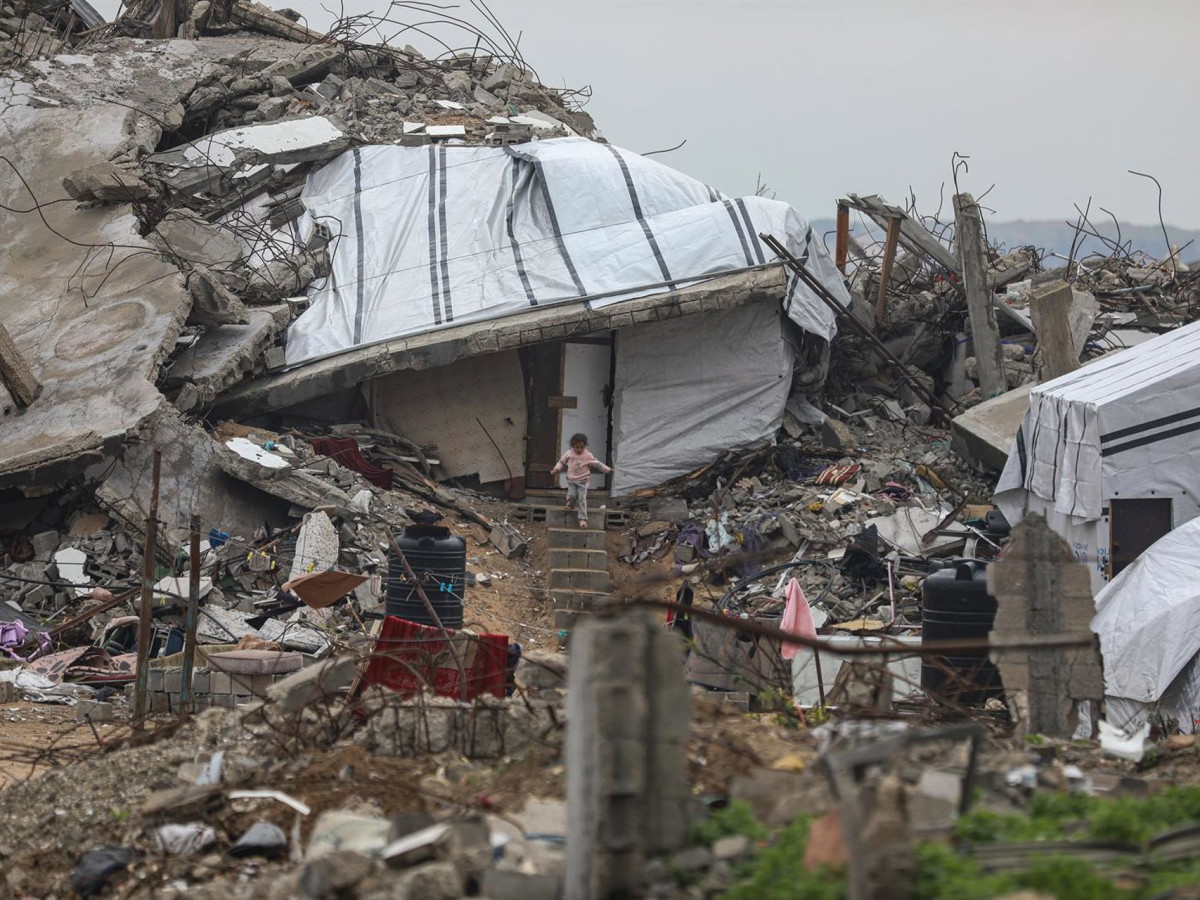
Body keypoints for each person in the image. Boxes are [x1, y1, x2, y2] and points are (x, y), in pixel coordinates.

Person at [551, 433, 612, 528]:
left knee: (582, 499)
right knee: (572, 495)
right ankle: (570, 505)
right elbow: (561, 462)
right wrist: (556, 469)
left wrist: (607, 469)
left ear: (585, 446)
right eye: (577, 447)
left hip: (583, 480)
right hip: (571, 480)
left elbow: (597, 464)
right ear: (572, 445)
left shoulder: (588, 455)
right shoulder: (569, 453)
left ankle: (582, 519)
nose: (579, 449)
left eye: (581, 447)